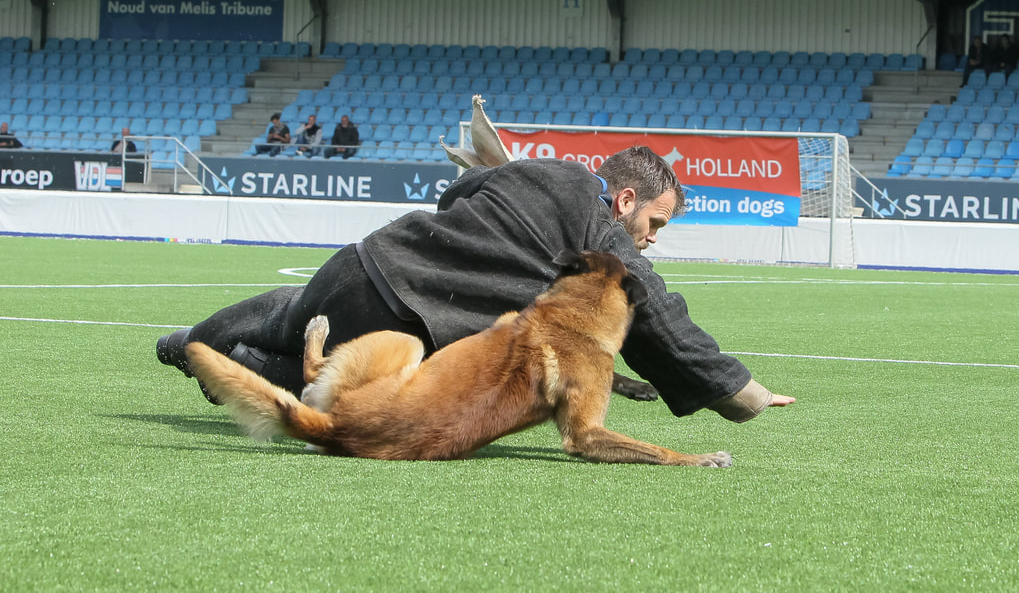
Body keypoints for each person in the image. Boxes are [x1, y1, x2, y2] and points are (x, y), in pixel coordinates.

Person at [157, 146, 795, 424]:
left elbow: (458, 190)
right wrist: (740, 391)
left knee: (293, 312)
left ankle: (192, 342)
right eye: (654, 222)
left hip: (364, 261)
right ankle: (246, 365)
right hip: (405, 326)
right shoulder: (602, 235)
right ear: (626, 199)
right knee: (357, 404)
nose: (650, 239)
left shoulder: (542, 170)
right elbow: (656, 314)